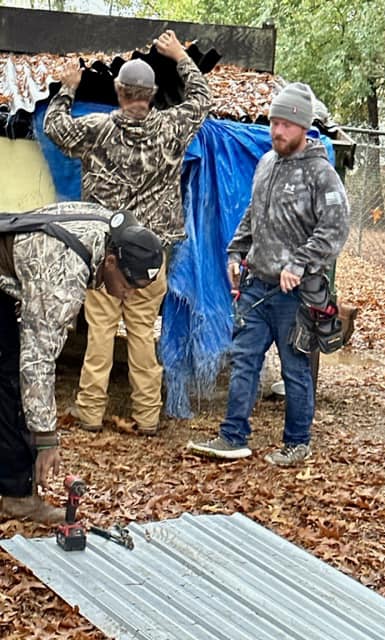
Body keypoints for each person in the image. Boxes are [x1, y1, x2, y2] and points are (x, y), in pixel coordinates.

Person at [44, 30, 211, 435]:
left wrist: (68, 89)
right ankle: (148, 416)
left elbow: (53, 126)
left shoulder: (97, 128)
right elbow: (202, 100)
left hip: (106, 257)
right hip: (152, 259)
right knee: (141, 334)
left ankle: (88, 414)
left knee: (99, 334)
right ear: (151, 95)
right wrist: (179, 58)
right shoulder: (172, 128)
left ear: (119, 91)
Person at [187, 83, 350, 466]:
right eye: (274, 122)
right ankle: (232, 437)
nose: (277, 131)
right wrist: (235, 251)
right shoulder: (265, 163)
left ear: (304, 127)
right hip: (256, 286)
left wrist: (300, 264)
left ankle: (297, 442)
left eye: (286, 124)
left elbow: (334, 230)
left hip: (295, 294)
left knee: (294, 369)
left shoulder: (321, 174)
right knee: (244, 360)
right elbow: (252, 212)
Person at [0, 202, 164, 522]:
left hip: (9, 274)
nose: (128, 296)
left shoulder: (114, 230)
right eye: (128, 285)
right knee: (13, 376)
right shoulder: (65, 273)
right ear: (112, 261)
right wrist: (47, 439)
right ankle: (18, 493)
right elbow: (37, 362)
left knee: (8, 377)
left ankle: (16, 494)